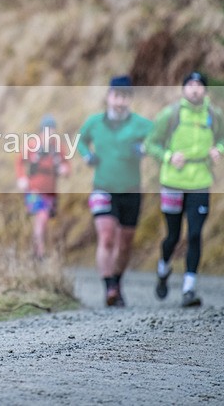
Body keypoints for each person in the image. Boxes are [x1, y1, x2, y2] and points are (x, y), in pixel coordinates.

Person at [144, 71, 224, 308]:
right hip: (173, 182)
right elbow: (151, 144)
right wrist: (169, 156)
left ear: (206, 90)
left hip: (200, 181)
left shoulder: (214, 115)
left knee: (194, 234)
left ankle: (189, 288)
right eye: (190, 84)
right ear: (183, 89)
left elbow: (223, 139)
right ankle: (163, 269)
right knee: (173, 235)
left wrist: (218, 150)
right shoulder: (170, 114)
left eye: (199, 85)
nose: (195, 89)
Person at [77, 75, 153, 307]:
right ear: (109, 97)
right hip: (103, 187)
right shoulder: (94, 122)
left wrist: (145, 148)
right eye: (117, 96)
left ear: (130, 100)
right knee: (107, 236)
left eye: (125, 97)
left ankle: (117, 282)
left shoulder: (141, 124)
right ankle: (109, 286)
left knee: (125, 242)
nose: (120, 102)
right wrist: (87, 155)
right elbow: (80, 141)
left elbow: (158, 139)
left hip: (131, 190)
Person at [15, 114, 71, 260]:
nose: (50, 133)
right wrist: (21, 178)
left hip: (50, 191)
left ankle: (37, 251)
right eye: (47, 129)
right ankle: (40, 253)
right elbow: (19, 162)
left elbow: (67, 166)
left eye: (52, 129)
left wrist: (64, 170)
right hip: (34, 190)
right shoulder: (32, 145)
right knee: (41, 217)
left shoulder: (58, 147)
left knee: (44, 221)